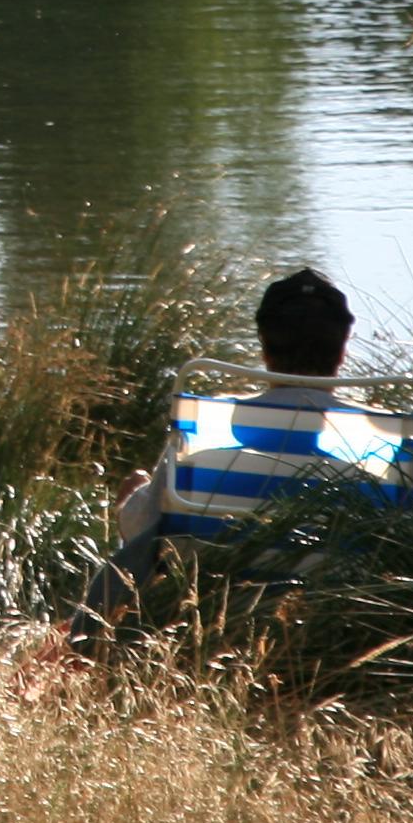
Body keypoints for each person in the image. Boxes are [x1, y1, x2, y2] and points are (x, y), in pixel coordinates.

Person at [65, 266, 359, 641]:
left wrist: (130, 501)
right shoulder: (379, 458)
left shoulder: (202, 446)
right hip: (330, 629)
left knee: (142, 498)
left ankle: (100, 641)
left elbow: (140, 530)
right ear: (343, 350)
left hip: (213, 619)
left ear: (264, 347)